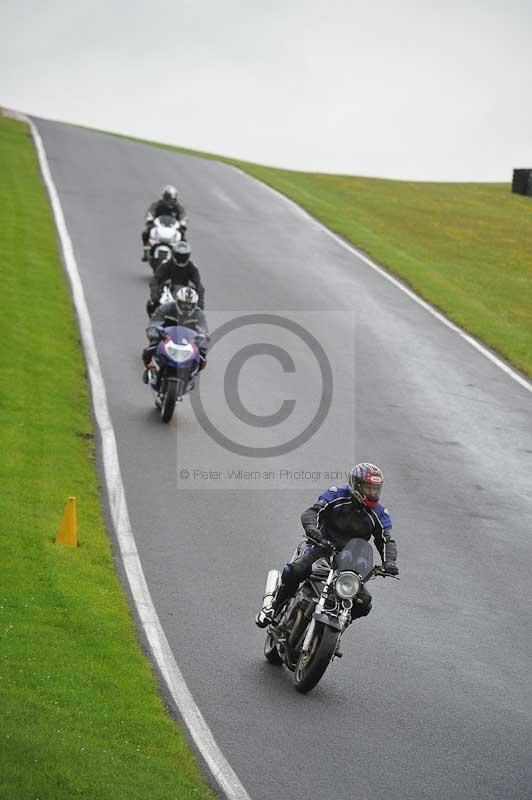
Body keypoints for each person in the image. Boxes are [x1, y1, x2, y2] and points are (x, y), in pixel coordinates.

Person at [255, 463, 398, 627]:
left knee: (364, 603)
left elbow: (385, 539)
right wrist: (311, 528)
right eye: (368, 488)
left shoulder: (379, 512)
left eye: (375, 489)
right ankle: (273, 607)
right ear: (356, 485)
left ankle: (342, 621)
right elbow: (313, 511)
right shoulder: (337, 495)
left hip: (350, 558)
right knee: (294, 571)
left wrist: (390, 562)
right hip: (322, 546)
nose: (373, 493)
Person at [142, 286, 209, 382]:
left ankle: (192, 375)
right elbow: (154, 323)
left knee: (202, 358)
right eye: (184, 304)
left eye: (190, 305)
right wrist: (155, 334)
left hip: (187, 341)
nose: (187, 307)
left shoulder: (199, 314)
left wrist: (201, 342)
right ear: (178, 301)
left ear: (195, 305)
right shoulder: (166, 308)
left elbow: (204, 331)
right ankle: (149, 368)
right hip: (166, 338)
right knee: (149, 351)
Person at [147, 241, 205, 315]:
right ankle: (154, 324)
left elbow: (198, 285)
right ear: (175, 254)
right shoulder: (166, 264)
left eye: (183, 256)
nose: (181, 258)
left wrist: (200, 303)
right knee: (151, 305)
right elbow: (155, 280)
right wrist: (155, 295)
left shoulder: (192, 267)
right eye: (179, 255)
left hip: (185, 296)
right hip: (166, 293)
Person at [141, 185, 188, 261]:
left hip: (173, 228)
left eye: (171, 198)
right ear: (164, 196)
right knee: (145, 234)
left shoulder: (178, 207)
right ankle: (146, 252)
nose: (169, 200)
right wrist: (150, 219)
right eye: (167, 197)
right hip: (158, 226)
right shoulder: (157, 204)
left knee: (183, 241)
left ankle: (181, 258)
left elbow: (183, 215)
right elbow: (151, 211)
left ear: (175, 198)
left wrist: (183, 223)